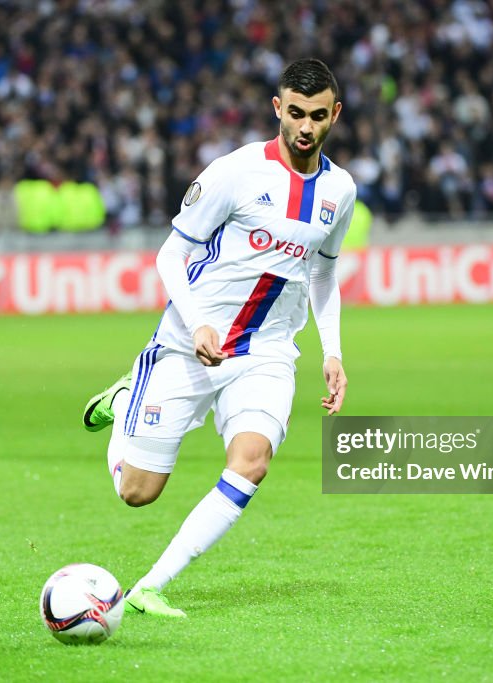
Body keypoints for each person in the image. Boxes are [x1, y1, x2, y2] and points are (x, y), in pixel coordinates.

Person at [81, 59, 355, 617]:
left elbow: (323, 273)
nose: (305, 127)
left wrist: (333, 350)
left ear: (335, 115)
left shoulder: (340, 190)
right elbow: (171, 254)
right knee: (137, 492)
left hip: (268, 351)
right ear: (278, 108)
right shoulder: (233, 173)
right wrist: (198, 320)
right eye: (296, 113)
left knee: (251, 462)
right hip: (189, 343)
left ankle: (150, 587)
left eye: (318, 116)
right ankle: (128, 395)